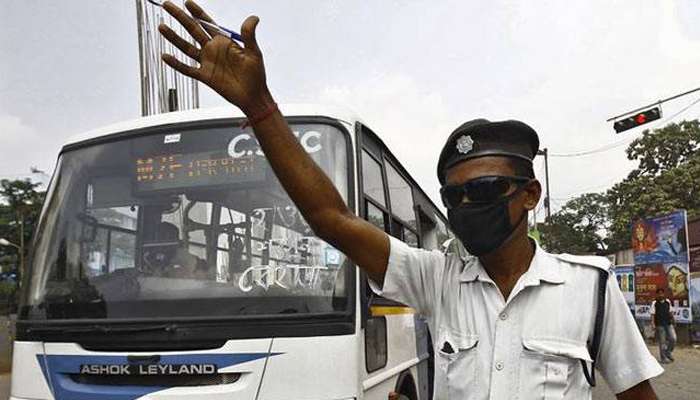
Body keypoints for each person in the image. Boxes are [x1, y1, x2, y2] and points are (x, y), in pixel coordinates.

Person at [157, 2, 662, 398]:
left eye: (484, 190)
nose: (467, 204)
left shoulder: (590, 288)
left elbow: (637, 394)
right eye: (454, 194)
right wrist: (260, 107)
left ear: (530, 194)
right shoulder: (438, 281)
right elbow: (329, 218)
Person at [650, 288, 676, 363]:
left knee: (673, 338)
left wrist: (674, 320)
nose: (661, 295)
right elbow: (652, 314)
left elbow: (671, 312)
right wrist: (653, 324)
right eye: (659, 293)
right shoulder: (654, 303)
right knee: (662, 342)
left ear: (664, 294)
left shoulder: (667, 302)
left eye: (662, 293)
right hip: (660, 325)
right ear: (657, 294)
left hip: (668, 323)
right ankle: (663, 358)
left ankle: (668, 352)